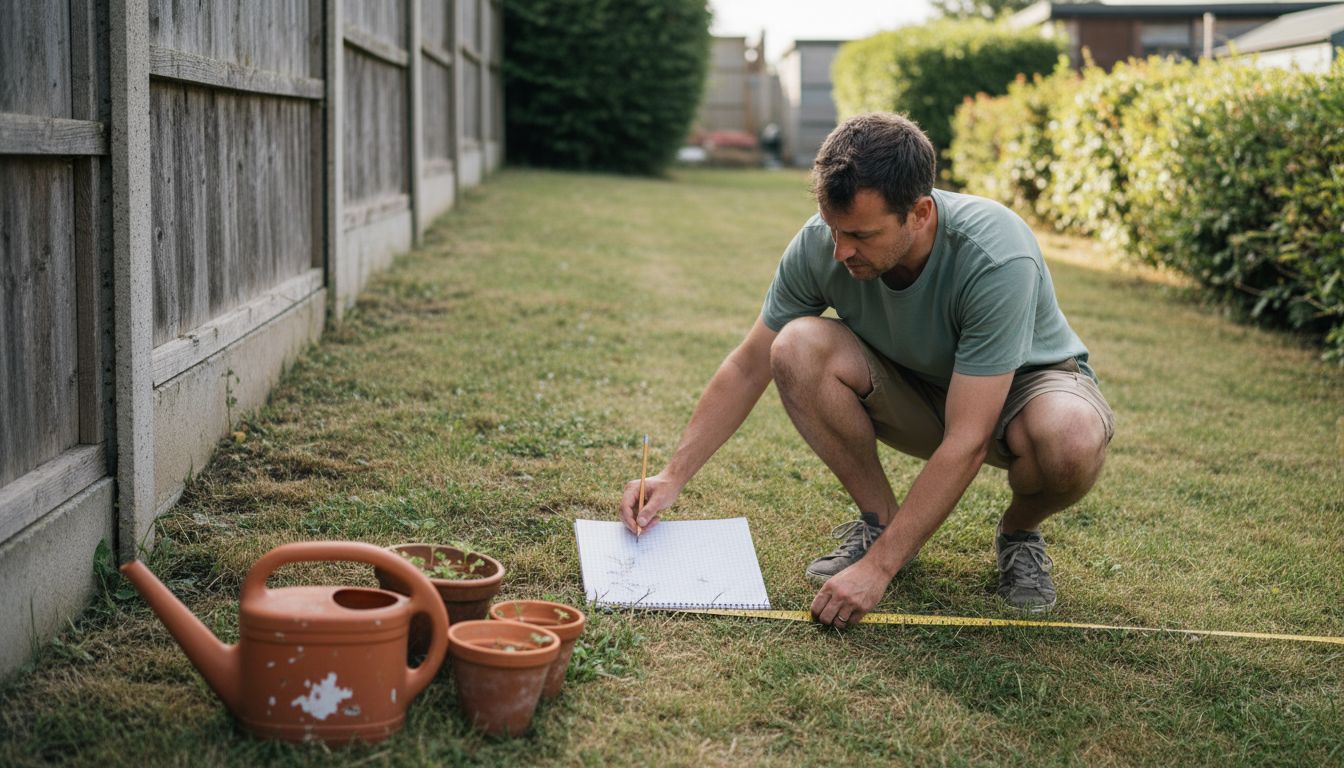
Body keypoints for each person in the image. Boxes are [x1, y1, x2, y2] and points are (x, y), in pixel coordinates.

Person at [619, 112, 1114, 626]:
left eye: (860, 234)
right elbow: (748, 366)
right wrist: (672, 476)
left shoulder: (995, 256)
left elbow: (967, 438)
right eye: (833, 229)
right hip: (914, 386)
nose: (841, 251)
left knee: (1071, 439)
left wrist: (876, 573)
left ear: (920, 213)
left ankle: (1019, 533)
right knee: (795, 345)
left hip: (1022, 391)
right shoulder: (822, 244)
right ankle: (882, 522)